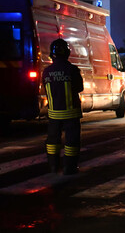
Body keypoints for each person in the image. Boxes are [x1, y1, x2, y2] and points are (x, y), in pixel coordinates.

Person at [42, 38, 84, 175]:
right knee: (72, 141)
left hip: (54, 114)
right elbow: (79, 87)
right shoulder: (72, 69)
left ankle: (53, 166)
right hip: (71, 113)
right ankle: (69, 168)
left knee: (53, 141)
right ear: (67, 53)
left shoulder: (46, 71)